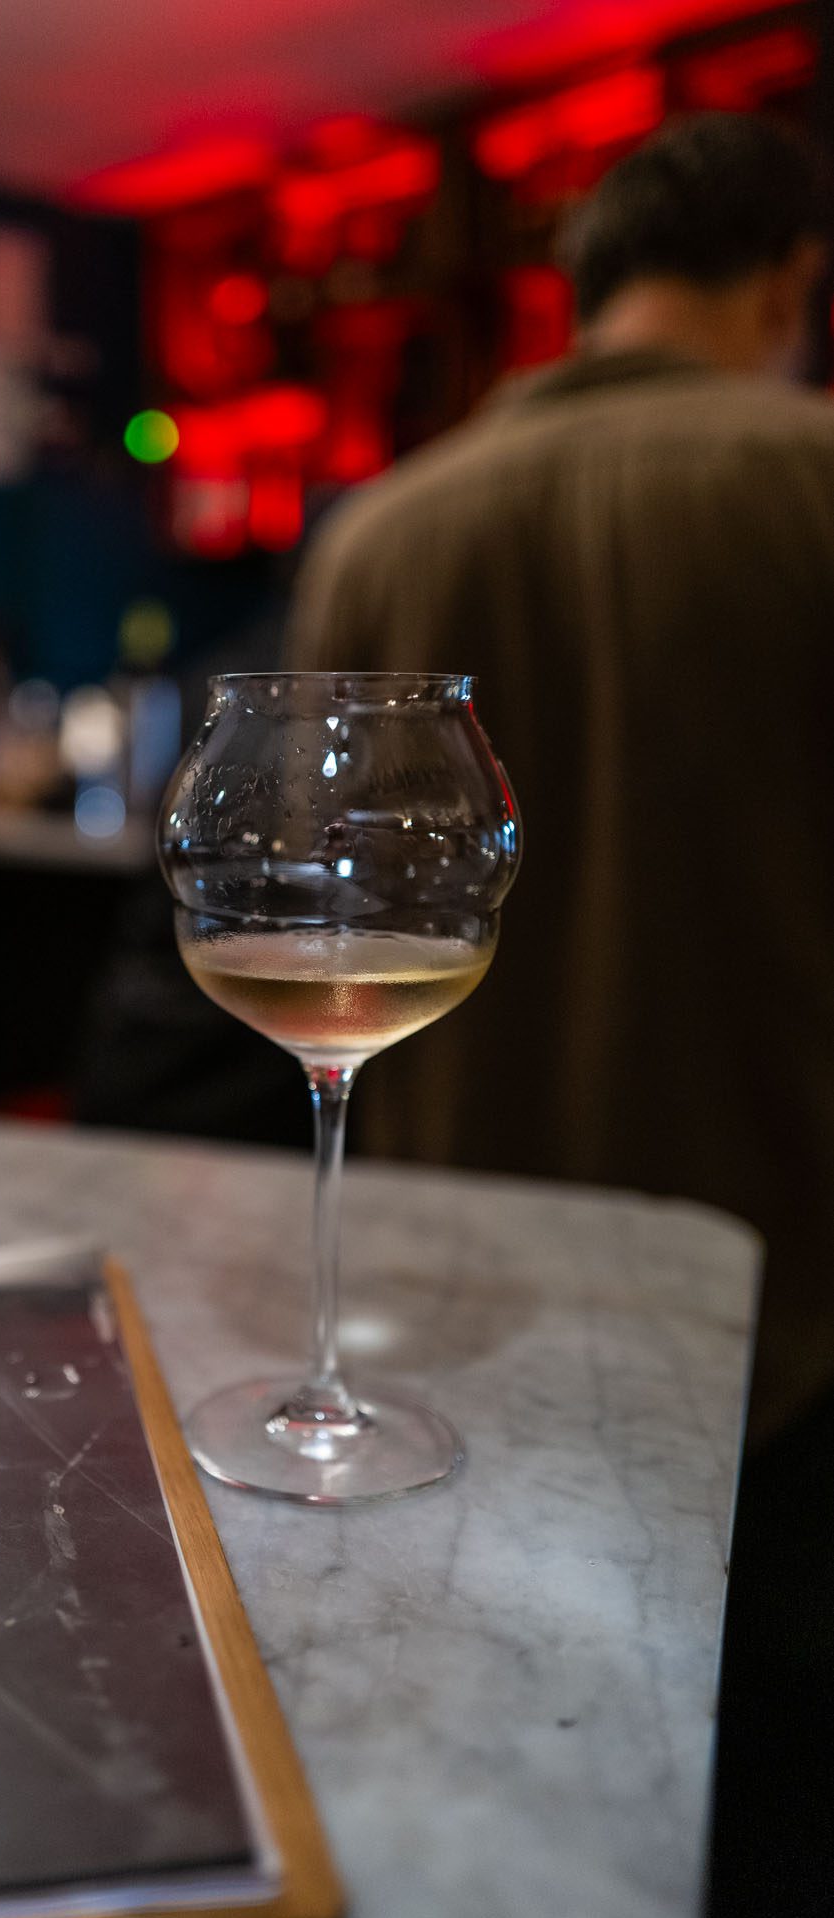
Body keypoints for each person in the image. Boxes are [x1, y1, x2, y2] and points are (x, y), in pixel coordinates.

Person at [288, 111, 834, 1446]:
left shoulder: (378, 530)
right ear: (787, 282)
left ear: (583, 292)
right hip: (787, 1285)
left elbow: (316, 896)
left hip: (450, 1269)